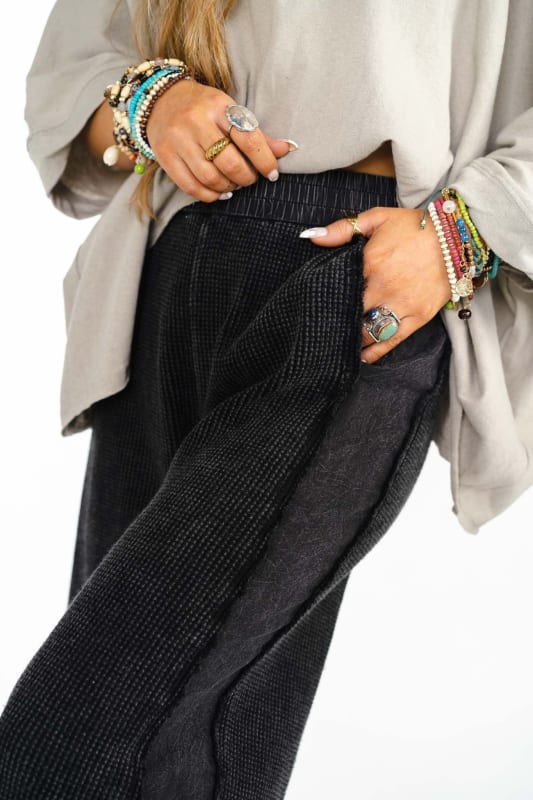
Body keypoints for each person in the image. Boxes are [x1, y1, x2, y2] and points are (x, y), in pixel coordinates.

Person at [1, 1, 532, 797]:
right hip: (161, 277)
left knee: (82, 734)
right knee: (187, 756)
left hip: (356, 278)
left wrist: (466, 228)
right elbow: (68, 74)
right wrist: (155, 106)